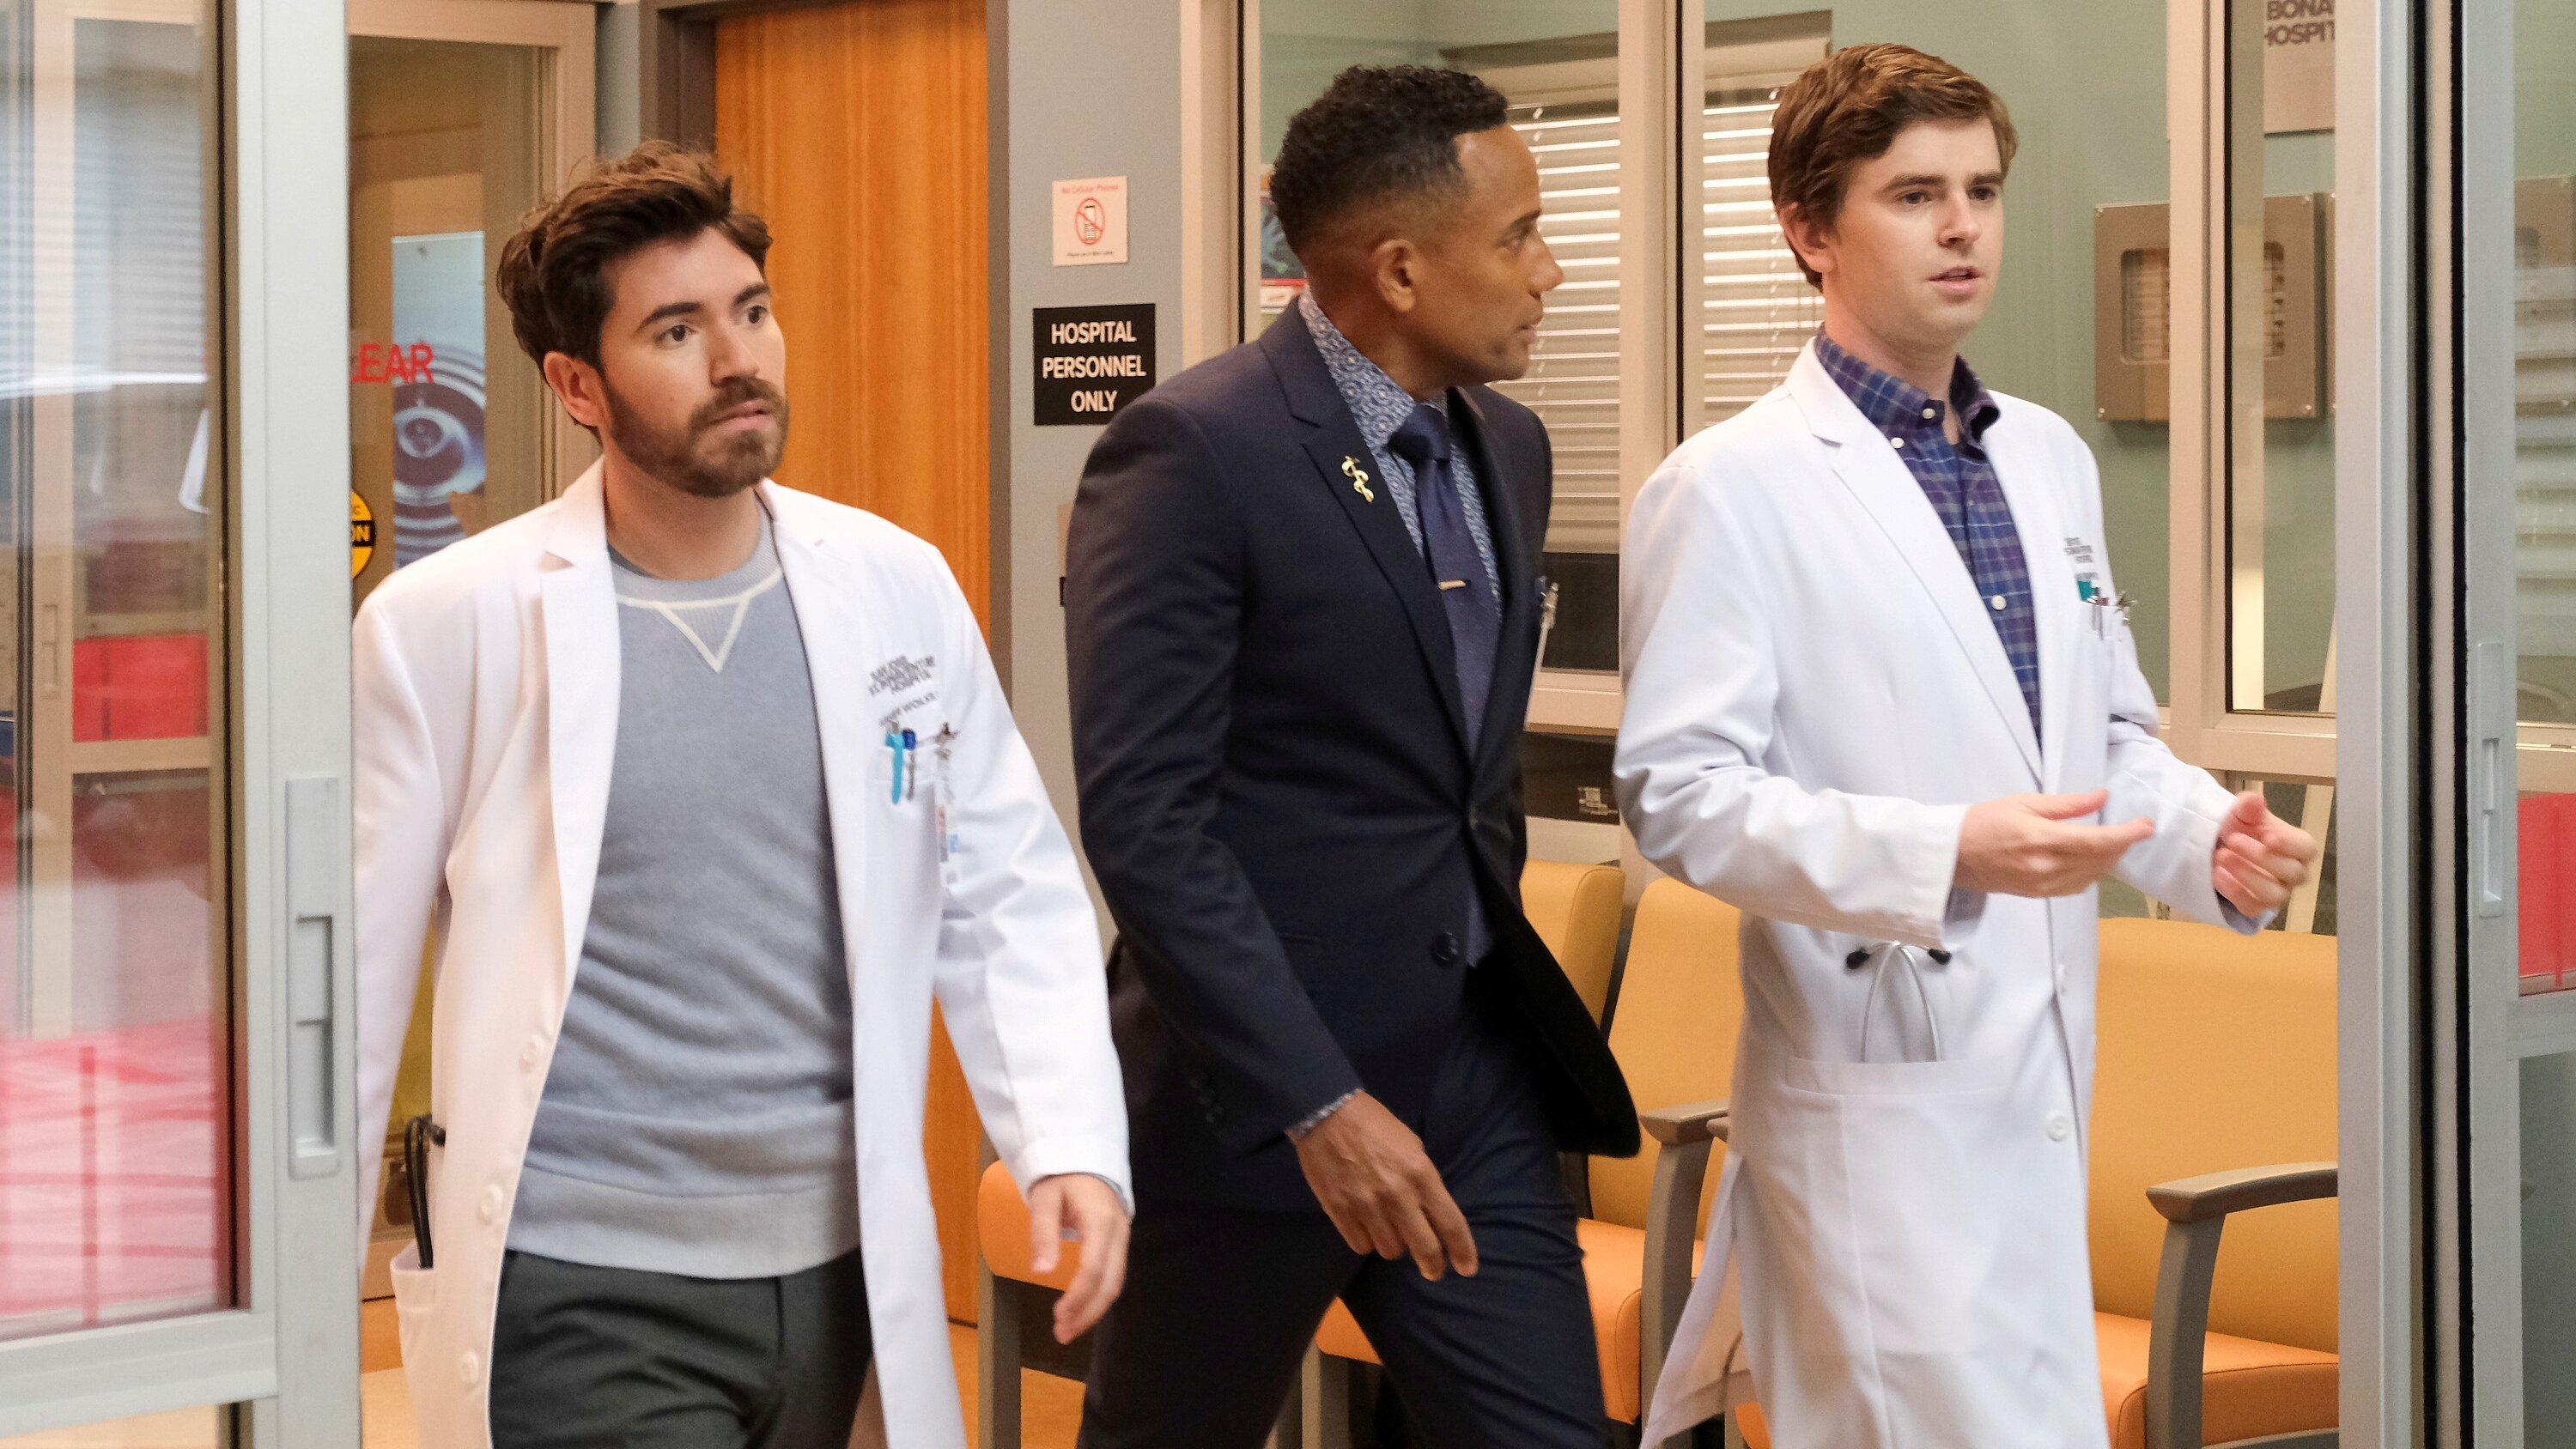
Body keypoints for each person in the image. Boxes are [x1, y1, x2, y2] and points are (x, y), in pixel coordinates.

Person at [352, 142, 1132, 1449]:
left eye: (752, 312)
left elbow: (999, 883)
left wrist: (1064, 1139)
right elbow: (355, 980)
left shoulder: (892, 583)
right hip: (583, 1283)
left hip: (838, 1272)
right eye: (676, 331)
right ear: (576, 385)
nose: (738, 362)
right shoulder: (448, 621)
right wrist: (295, 1302)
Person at [1617, 45, 2323, 1449]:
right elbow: (1678, 796)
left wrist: (2198, 836)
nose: (1963, 229)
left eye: (1984, 191)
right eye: (1914, 195)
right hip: (1878, 1099)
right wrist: (1945, 850)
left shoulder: (2046, 457)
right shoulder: (1731, 487)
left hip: (2036, 1087)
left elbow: (2098, 730)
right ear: (1811, 231)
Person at [1063, 64, 1640, 1449]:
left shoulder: (1512, 448)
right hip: (1251, 1103)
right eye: (1520, 236)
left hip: (1473, 1077)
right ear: (1398, 268)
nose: (1549, 273)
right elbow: (1146, 820)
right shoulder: (1195, 451)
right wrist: (1316, 1099)